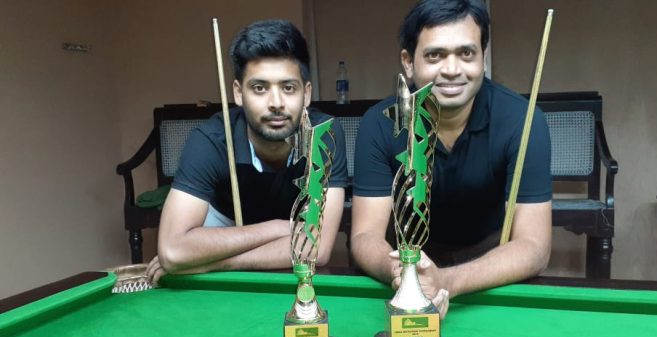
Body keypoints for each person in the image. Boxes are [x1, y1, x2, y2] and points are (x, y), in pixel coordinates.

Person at [351, 0, 552, 314]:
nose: (452, 69)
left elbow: (534, 247)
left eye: (466, 53)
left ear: (483, 58)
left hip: (491, 276)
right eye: (435, 55)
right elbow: (365, 236)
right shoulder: (379, 123)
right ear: (408, 62)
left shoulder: (523, 121)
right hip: (403, 266)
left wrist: (445, 281)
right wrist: (406, 275)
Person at [146, 20, 347, 283]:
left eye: (288, 88)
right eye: (260, 88)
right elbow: (173, 251)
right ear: (239, 93)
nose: (276, 104)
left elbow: (316, 249)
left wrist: (214, 264)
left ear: (306, 94)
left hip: (265, 250)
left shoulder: (325, 135)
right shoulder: (212, 139)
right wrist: (279, 228)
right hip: (225, 226)